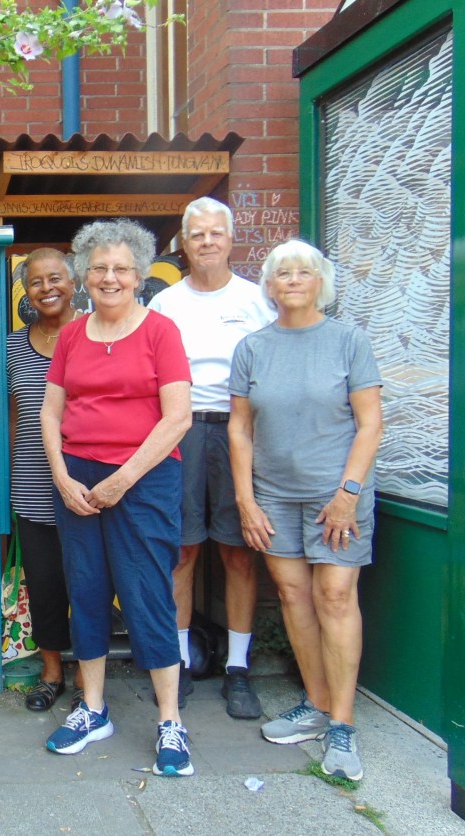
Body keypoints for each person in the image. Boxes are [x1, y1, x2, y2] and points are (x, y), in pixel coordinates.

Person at [41, 219, 195, 777]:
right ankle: (93, 709)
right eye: (100, 267)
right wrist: (61, 476)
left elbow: (177, 418)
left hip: (145, 479)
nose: (110, 277)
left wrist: (122, 479)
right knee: (85, 590)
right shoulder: (73, 336)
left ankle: (170, 719)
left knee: (146, 591)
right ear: (86, 274)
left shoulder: (161, 332)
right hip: (78, 479)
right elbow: (51, 413)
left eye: (121, 269)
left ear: (139, 276)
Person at [229, 239, 382, 782]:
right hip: (273, 495)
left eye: (304, 272)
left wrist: (348, 492)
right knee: (293, 595)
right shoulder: (253, 348)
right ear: (269, 286)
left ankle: (342, 725)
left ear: (321, 283)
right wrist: (246, 499)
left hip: (335, 495)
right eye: (282, 273)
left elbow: (369, 423)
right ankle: (316, 705)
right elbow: (240, 429)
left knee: (335, 597)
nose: (293, 280)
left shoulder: (348, 342)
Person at [148, 196, 275, 718]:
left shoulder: (256, 299)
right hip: (179, 432)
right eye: (196, 234)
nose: (206, 242)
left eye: (215, 233)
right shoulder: (165, 304)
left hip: (238, 434)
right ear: (184, 242)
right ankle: (177, 663)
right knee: (182, 550)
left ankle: (238, 669)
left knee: (238, 552)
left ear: (230, 239)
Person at [7, 249, 84, 712]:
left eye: (55, 278)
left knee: (90, 582)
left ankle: (89, 675)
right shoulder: (14, 346)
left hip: (91, 481)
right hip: (34, 482)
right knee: (45, 582)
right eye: (36, 282)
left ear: (73, 283)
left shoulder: (95, 334)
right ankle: (52, 670)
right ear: (26, 292)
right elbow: (13, 415)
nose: (47, 288)